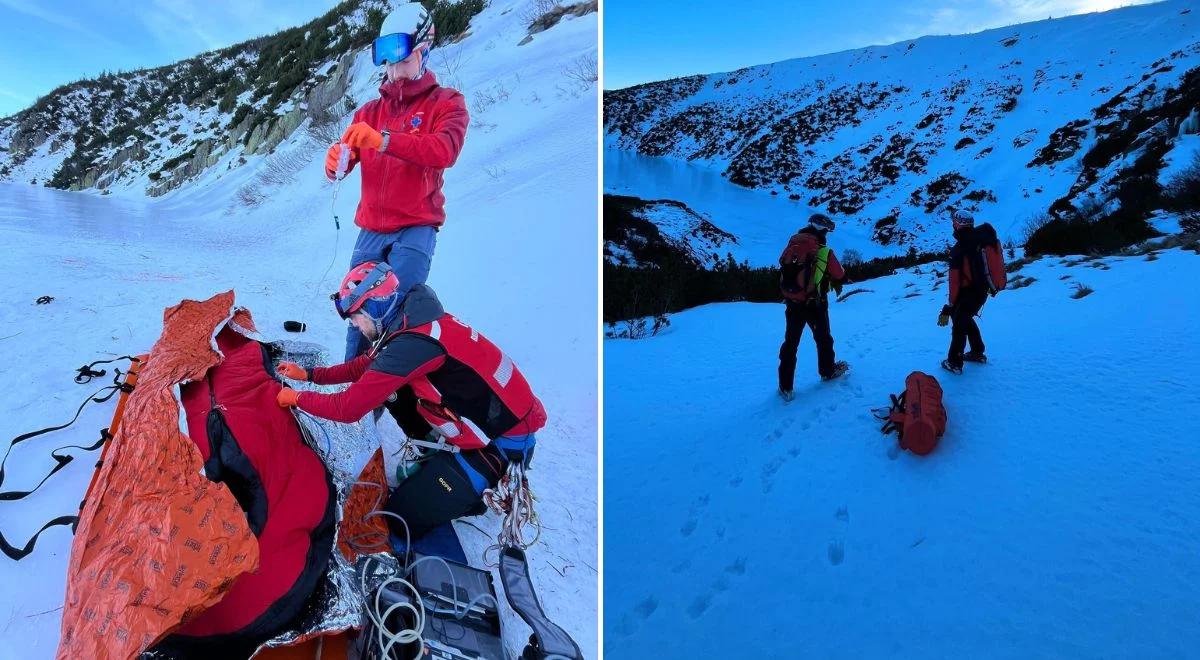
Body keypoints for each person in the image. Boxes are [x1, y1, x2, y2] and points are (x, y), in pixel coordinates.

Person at [274, 262, 545, 540]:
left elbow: (348, 408)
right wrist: (309, 375)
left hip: (501, 447)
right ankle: (437, 455)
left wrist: (296, 398)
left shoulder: (412, 344)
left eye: (355, 316)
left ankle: (473, 492)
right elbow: (363, 368)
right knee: (391, 389)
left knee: (399, 518)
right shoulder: (410, 320)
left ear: (374, 307)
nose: (354, 324)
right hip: (492, 421)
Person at [325, 2, 469, 361]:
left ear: (424, 53)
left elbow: (443, 151)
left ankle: (395, 388)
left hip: (416, 227)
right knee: (357, 312)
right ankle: (357, 395)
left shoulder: (447, 103)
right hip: (371, 229)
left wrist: (384, 140)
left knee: (395, 309)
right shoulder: (369, 112)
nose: (396, 71)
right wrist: (335, 164)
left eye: (403, 61)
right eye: (389, 63)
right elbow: (345, 163)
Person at [777, 213, 848, 400]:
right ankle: (827, 371)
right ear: (823, 231)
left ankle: (785, 387)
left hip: (793, 303)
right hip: (815, 303)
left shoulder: (792, 245)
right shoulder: (824, 251)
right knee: (823, 338)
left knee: (790, 343)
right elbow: (839, 274)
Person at [939, 210, 1000, 374]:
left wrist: (950, 305)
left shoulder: (959, 248)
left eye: (954, 222)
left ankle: (954, 362)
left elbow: (954, 281)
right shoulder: (980, 241)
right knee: (965, 317)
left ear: (958, 224)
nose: (953, 224)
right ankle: (977, 352)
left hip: (966, 293)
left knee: (959, 325)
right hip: (982, 291)